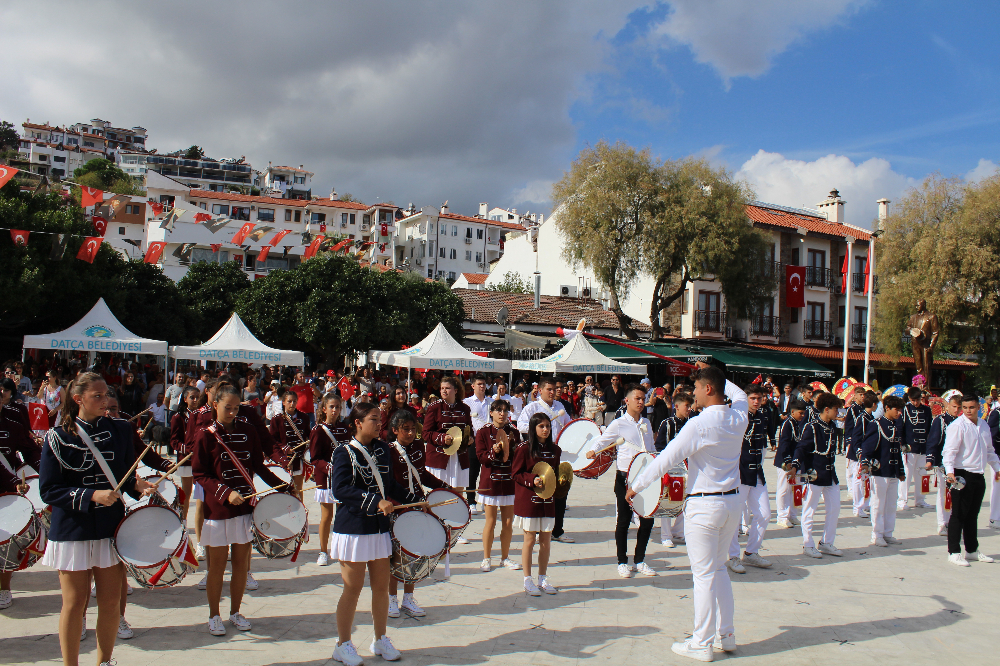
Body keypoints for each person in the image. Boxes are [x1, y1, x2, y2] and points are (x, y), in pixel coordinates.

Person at [628, 363, 746, 661]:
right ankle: (726, 634)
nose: (692, 393)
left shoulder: (699, 423)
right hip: (732, 502)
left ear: (708, 389)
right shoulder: (738, 416)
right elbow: (739, 393)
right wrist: (713, 371)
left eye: (696, 387)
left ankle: (702, 642)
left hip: (705, 506)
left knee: (704, 575)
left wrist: (637, 484)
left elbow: (666, 459)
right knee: (718, 569)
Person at [39, 373, 155, 666]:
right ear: (79, 399)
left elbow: (124, 475)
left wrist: (138, 485)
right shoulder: (58, 436)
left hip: (109, 526)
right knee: (75, 604)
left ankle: (105, 661)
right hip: (72, 528)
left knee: (111, 602)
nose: (106, 401)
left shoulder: (120, 429)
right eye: (98, 396)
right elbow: (49, 490)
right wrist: (92, 495)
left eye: (107, 395)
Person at [330, 402, 422, 665]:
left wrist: (415, 499)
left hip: (379, 529)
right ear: (358, 423)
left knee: (381, 588)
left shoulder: (383, 449)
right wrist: (373, 501)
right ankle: (343, 644)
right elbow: (341, 489)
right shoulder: (343, 452)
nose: (379, 423)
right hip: (354, 529)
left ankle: (380, 639)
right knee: (352, 588)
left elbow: (390, 483)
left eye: (380, 419)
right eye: (373, 419)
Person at [192, 383, 287, 636]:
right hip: (218, 511)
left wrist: (283, 487)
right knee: (217, 567)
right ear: (215, 405)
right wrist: (225, 493)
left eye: (236, 408)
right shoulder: (205, 434)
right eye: (227, 408)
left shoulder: (248, 431)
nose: (232, 412)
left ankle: (235, 612)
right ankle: (214, 615)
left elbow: (259, 466)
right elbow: (200, 474)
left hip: (244, 509)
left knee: (241, 566)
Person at [587, 384, 657, 577]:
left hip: (644, 477)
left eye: (643, 399)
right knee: (624, 520)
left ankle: (640, 560)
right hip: (625, 477)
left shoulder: (647, 423)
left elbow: (650, 449)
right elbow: (603, 440)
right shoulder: (619, 423)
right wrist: (593, 450)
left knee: (648, 519)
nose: (641, 402)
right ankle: (622, 561)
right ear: (627, 400)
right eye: (637, 398)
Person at [386, 408, 444, 618]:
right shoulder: (388, 451)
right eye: (405, 429)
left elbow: (422, 474)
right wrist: (397, 504)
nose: (410, 433)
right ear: (395, 430)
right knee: (396, 557)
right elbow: (388, 484)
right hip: (399, 510)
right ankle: (391, 599)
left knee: (415, 556)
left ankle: (408, 598)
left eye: (413, 429)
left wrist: (443, 486)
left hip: (420, 507)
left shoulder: (419, 446)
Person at [942, 395, 1000, 566]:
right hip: (961, 474)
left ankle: (972, 550)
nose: (968, 411)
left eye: (971, 407)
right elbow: (949, 452)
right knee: (958, 514)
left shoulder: (983, 425)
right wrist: (950, 472)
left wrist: (997, 468)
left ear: (978, 408)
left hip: (978, 475)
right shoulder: (957, 426)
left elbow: (989, 450)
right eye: (965, 407)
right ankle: (954, 551)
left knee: (972, 515)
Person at [517, 377, 573, 543]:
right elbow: (521, 425)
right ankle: (535, 529)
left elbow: (569, 425)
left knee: (560, 491)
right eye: (549, 389)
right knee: (539, 493)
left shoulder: (560, 406)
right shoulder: (531, 407)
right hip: (539, 457)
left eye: (554, 388)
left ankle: (557, 530)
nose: (553, 392)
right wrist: (539, 427)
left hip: (555, 455)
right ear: (539, 390)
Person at [788, 391, 843, 559]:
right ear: (826, 409)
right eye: (835, 409)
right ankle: (808, 544)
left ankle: (827, 542)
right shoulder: (812, 427)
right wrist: (795, 466)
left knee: (834, 508)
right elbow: (802, 448)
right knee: (809, 510)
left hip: (830, 475)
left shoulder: (832, 427)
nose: (838, 413)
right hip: (814, 475)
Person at [512, 412, 561, 596]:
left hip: (547, 501)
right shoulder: (524, 448)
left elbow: (555, 473)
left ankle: (543, 578)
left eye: (548, 426)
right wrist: (532, 480)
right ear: (533, 428)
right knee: (530, 539)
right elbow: (516, 473)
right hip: (529, 501)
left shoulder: (556, 450)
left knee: (546, 541)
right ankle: (527, 579)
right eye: (541, 426)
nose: (546, 429)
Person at [0, 398, 41, 609]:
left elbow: (31, 451)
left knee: (4, 541)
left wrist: (45, 470)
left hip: (7, 490)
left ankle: (4, 588)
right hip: (11, 482)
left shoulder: (12, 426)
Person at [727, 384, 772, 572]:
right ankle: (733, 556)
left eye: (759, 398)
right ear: (744, 398)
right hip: (739, 472)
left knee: (764, 513)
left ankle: (752, 552)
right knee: (734, 517)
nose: (756, 402)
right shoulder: (734, 415)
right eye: (753, 398)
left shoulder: (762, 416)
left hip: (757, 472)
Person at [422, 376, 473, 536]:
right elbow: (425, 433)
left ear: (456, 390)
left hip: (459, 457)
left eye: (447, 388)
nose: (444, 390)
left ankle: (455, 531)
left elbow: (469, 429)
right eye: (442, 388)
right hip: (439, 457)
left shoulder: (465, 408)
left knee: (458, 494)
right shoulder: (434, 407)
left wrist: (470, 438)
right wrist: (442, 438)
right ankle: (436, 530)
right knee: (438, 493)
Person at [476, 400, 521, 572]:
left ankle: (505, 557)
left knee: (508, 522)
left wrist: (513, 448)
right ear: (491, 412)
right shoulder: (483, 432)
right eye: (498, 410)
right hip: (491, 482)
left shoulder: (514, 432)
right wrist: (493, 452)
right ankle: (486, 558)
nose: (502, 414)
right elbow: (481, 458)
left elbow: (518, 458)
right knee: (491, 521)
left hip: (509, 481)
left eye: (505, 410)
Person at [860, 395, 906, 548]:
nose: (899, 413)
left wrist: (900, 470)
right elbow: (867, 447)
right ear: (887, 408)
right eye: (896, 410)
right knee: (878, 504)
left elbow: (897, 450)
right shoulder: (877, 424)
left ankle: (888, 533)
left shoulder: (895, 424)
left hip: (892, 470)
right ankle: (877, 534)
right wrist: (865, 463)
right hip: (880, 470)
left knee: (891, 504)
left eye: (900, 410)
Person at [310, 392, 350, 566]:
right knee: (326, 517)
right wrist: (330, 468)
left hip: (343, 479)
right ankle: (322, 551)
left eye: (338, 407)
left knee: (343, 515)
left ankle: (340, 548)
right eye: (332, 407)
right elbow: (315, 458)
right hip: (326, 479)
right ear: (324, 409)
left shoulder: (345, 428)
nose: (335, 410)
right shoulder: (318, 430)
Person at [654, 392, 692, 548]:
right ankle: (665, 535)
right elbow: (659, 447)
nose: (689, 409)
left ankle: (678, 531)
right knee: (668, 502)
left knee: (686, 501)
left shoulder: (691, 423)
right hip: (671, 470)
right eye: (686, 406)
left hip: (688, 469)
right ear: (676, 406)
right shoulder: (667, 423)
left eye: (691, 406)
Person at [926, 394, 961, 536]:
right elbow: (933, 441)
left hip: (960, 462)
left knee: (958, 494)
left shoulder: (963, 421)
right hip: (943, 463)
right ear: (948, 406)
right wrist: (930, 459)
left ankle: (955, 522)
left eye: (959, 407)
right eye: (954, 407)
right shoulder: (941, 421)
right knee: (944, 493)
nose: (956, 410)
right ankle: (942, 523)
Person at [269, 391, 309, 499]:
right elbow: (272, 440)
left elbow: (308, 436)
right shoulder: (277, 419)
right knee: (285, 488)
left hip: (298, 458)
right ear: (283, 402)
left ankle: (301, 510)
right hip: (284, 458)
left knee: (298, 488)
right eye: (289, 401)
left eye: (294, 401)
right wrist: (285, 448)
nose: (292, 404)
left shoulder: (304, 417)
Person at [773, 400, 807, 529]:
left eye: (804, 413)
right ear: (792, 412)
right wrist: (787, 462)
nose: (802, 415)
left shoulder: (798, 423)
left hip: (796, 462)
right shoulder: (787, 424)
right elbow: (784, 444)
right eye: (800, 413)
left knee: (796, 488)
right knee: (784, 489)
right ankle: (782, 517)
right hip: (785, 462)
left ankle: (793, 515)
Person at [899, 387, 933, 510]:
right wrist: (902, 444)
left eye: (918, 400)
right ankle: (902, 500)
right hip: (909, 448)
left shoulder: (927, 410)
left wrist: (930, 448)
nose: (916, 402)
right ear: (909, 399)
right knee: (907, 475)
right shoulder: (905, 410)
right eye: (913, 400)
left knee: (922, 475)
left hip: (923, 448)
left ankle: (921, 500)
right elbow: (900, 429)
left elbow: (929, 429)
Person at [463, 374, 493, 512]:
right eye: (479, 384)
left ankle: (486, 499)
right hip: (474, 440)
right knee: (472, 472)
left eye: (484, 384)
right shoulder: (467, 402)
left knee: (488, 472)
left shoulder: (491, 402)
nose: (482, 386)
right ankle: (471, 501)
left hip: (490, 441)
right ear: (473, 386)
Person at [842, 386, 869, 519]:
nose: (862, 397)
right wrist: (848, 441)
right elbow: (849, 425)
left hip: (862, 442)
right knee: (851, 469)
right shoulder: (852, 409)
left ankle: (861, 496)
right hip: (853, 441)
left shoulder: (865, 408)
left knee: (859, 471)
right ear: (855, 395)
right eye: (860, 394)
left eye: (864, 394)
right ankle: (851, 491)